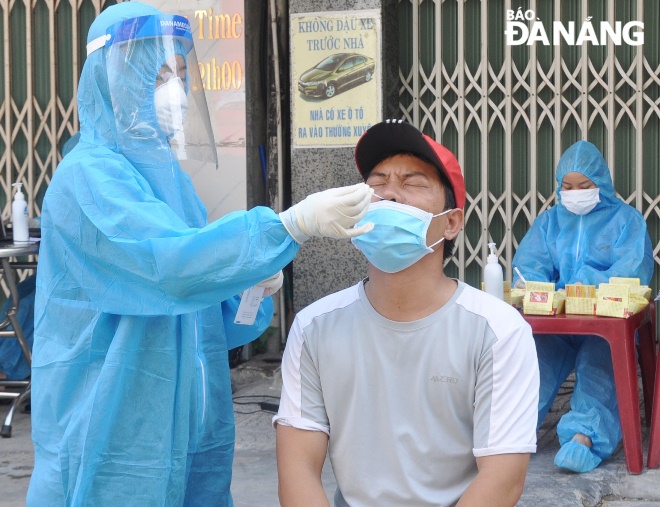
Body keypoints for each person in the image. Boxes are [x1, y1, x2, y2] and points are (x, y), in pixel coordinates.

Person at [26, 3, 374, 506]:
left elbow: (206, 314)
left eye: (183, 74)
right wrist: (283, 228)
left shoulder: (175, 184)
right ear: (111, 82)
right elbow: (167, 268)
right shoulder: (88, 177)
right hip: (110, 429)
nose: (176, 90)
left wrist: (249, 286)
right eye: (159, 73)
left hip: (185, 427)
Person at [274, 119, 540, 507]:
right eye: (377, 183)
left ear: (451, 222)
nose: (390, 195)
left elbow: (502, 481)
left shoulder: (497, 331)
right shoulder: (314, 327)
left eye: (413, 183)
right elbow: (297, 467)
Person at [512, 140, 654, 473]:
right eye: (568, 186)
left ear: (600, 183)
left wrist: (585, 285)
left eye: (585, 186)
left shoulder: (627, 220)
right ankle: (512, 433)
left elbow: (632, 270)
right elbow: (529, 265)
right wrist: (540, 288)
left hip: (602, 322)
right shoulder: (549, 222)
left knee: (598, 363)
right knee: (532, 363)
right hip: (558, 323)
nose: (576, 193)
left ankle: (584, 436)